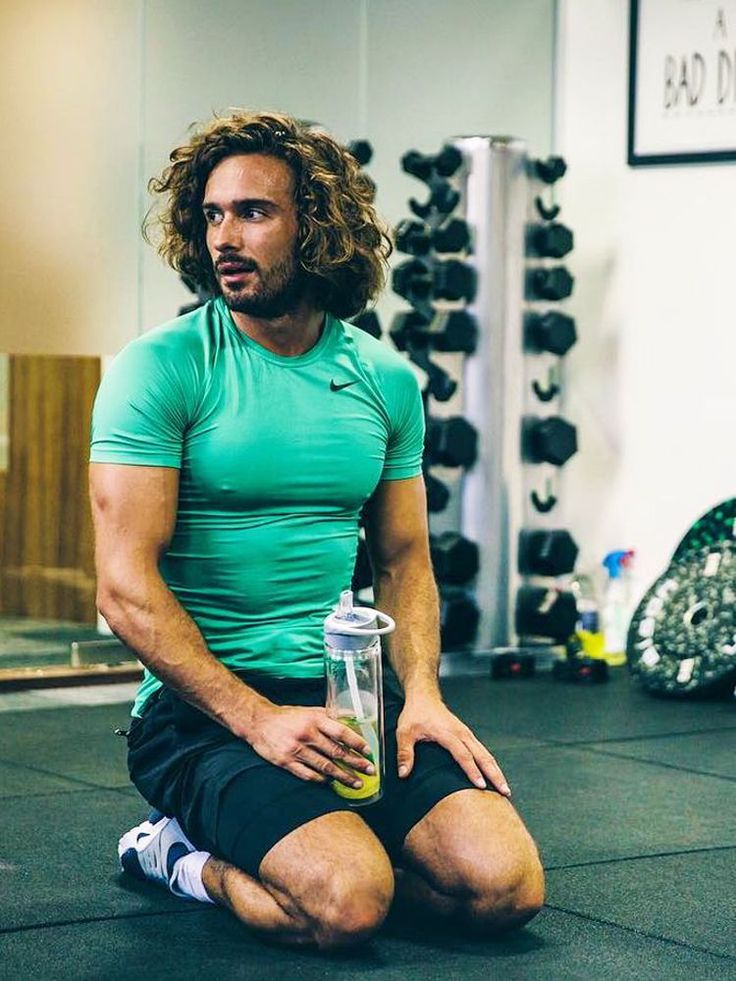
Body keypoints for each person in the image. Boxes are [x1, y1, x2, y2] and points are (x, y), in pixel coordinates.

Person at [89, 110, 544, 950]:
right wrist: (257, 718)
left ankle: (329, 842)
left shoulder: (384, 380)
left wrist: (425, 700)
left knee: (502, 889)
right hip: (201, 715)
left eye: (254, 212)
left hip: (346, 701)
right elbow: (124, 586)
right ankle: (177, 854)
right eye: (213, 214)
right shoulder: (162, 368)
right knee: (348, 906)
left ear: (319, 227)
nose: (225, 235)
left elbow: (405, 557)